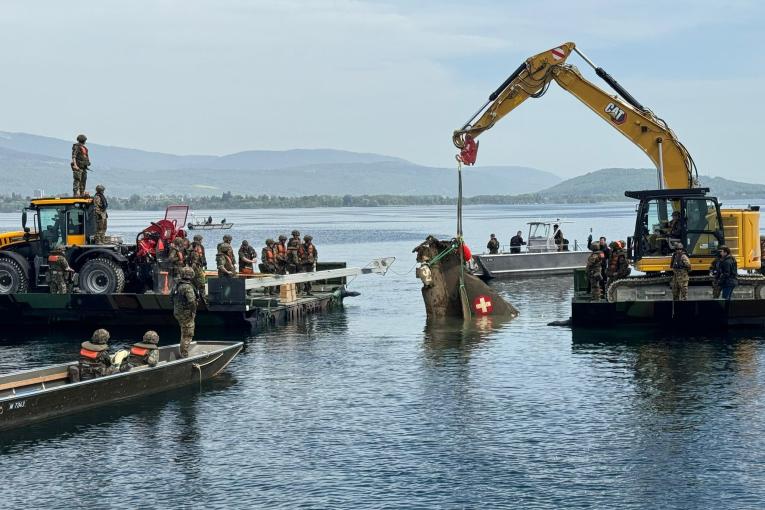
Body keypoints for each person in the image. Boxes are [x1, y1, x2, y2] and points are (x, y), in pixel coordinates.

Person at [172, 267, 198, 358]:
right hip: (186, 313)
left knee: (184, 332)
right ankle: (184, 355)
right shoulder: (187, 287)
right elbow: (192, 302)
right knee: (188, 334)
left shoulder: (177, 285)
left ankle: (182, 350)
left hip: (177, 312)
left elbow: (171, 299)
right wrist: (193, 312)